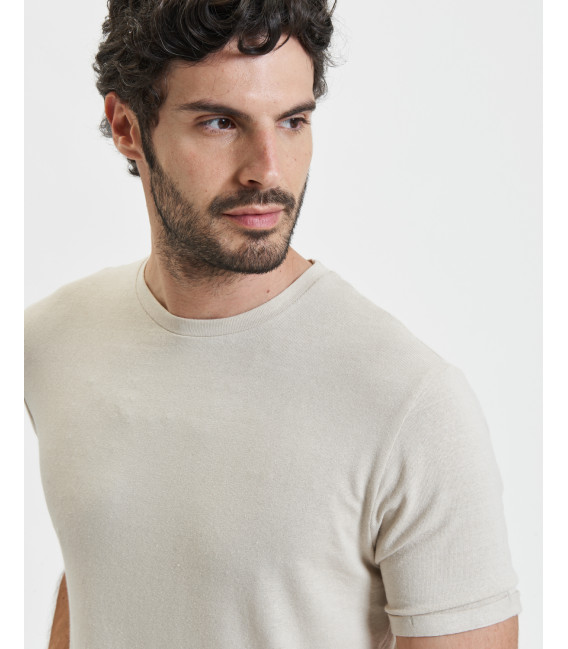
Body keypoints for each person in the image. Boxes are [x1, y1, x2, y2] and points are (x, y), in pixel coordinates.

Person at [25, 1, 521, 647]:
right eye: (219, 122)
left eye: (292, 121)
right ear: (126, 126)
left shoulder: (410, 403)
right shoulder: (53, 342)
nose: (267, 168)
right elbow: (100, 574)